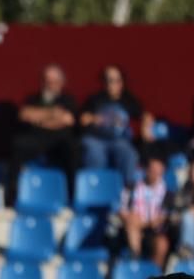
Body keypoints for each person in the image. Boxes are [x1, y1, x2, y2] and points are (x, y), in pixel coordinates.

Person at [8, 64, 77, 204]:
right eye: (47, 81)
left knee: (74, 150)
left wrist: (39, 118)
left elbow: (67, 119)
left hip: (60, 140)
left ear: (61, 83)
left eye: (54, 81)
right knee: (18, 144)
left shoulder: (68, 100)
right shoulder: (32, 99)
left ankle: (72, 195)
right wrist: (53, 114)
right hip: (36, 139)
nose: (50, 85)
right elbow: (24, 115)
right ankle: (12, 196)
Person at [79, 64, 144, 185]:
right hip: (96, 139)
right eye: (108, 80)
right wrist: (94, 118)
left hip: (119, 140)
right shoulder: (95, 99)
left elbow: (144, 115)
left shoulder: (128, 100)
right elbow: (82, 119)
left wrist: (147, 126)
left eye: (115, 80)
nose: (111, 84)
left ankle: (127, 191)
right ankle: (96, 189)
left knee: (129, 153)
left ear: (121, 82)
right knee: (94, 153)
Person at [121, 156, 170, 265]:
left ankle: (156, 277)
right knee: (132, 219)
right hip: (132, 228)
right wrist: (134, 219)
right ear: (146, 170)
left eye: (158, 171)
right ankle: (135, 260)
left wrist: (147, 223)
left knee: (162, 244)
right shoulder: (132, 187)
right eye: (152, 170)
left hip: (155, 231)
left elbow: (162, 218)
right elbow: (122, 210)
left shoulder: (168, 193)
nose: (154, 174)